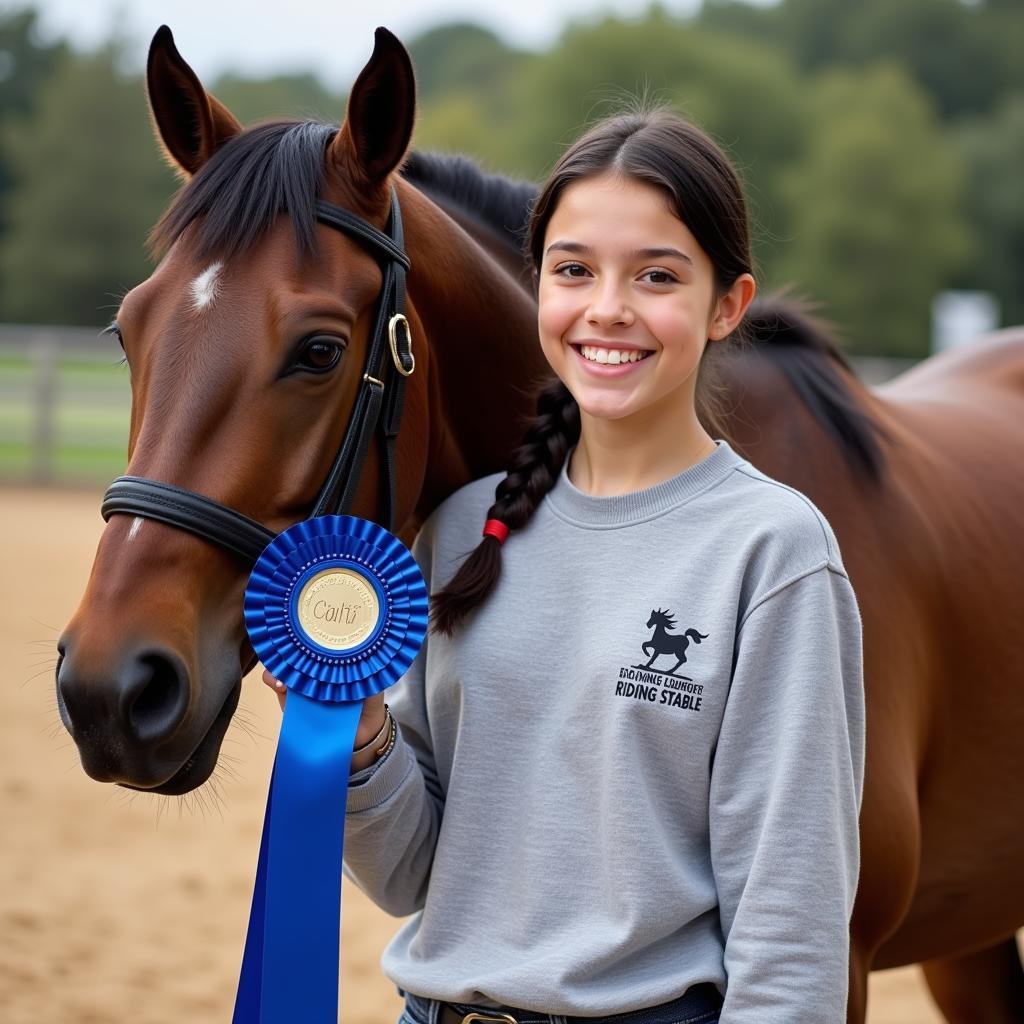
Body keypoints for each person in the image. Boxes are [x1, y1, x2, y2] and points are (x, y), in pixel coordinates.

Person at [265, 108, 865, 1024]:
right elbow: (412, 875)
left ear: (727, 305)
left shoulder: (774, 553)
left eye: (656, 275)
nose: (608, 307)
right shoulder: (464, 531)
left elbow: (790, 923)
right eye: (574, 269)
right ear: (537, 283)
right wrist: (359, 736)